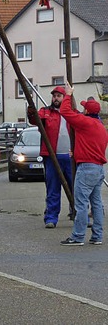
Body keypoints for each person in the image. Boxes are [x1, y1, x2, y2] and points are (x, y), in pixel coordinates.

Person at [59, 85, 107, 246]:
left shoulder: (85, 122)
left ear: (87, 111)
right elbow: (91, 145)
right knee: (97, 204)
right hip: (98, 168)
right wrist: (78, 152)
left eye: (84, 108)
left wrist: (68, 94)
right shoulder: (101, 127)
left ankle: (78, 236)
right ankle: (97, 236)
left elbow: (65, 112)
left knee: (80, 204)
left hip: (86, 168)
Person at [27, 86, 74, 228]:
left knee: (75, 187)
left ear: (65, 98)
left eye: (59, 96)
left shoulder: (72, 113)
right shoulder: (46, 112)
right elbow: (34, 120)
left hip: (70, 157)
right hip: (52, 157)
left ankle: (77, 212)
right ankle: (51, 217)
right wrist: (31, 110)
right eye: (54, 96)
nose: (55, 98)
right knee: (53, 189)